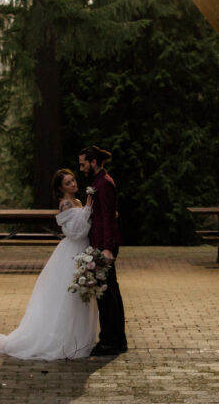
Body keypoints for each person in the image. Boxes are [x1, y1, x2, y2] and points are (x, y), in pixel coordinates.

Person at [0, 168, 99, 360]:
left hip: (83, 249)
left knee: (79, 297)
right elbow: (73, 232)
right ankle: (60, 340)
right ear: (61, 188)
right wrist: (88, 210)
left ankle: (78, 338)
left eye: (73, 181)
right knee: (68, 296)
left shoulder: (77, 201)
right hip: (71, 252)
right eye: (68, 183)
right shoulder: (65, 204)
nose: (73, 184)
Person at [78, 145, 127, 355]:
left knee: (107, 294)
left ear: (94, 162)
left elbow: (108, 218)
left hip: (103, 247)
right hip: (99, 244)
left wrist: (107, 248)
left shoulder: (104, 184)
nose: (81, 168)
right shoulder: (98, 181)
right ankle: (113, 339)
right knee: (108, 293)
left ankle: (111, 341)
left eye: (83, 164)